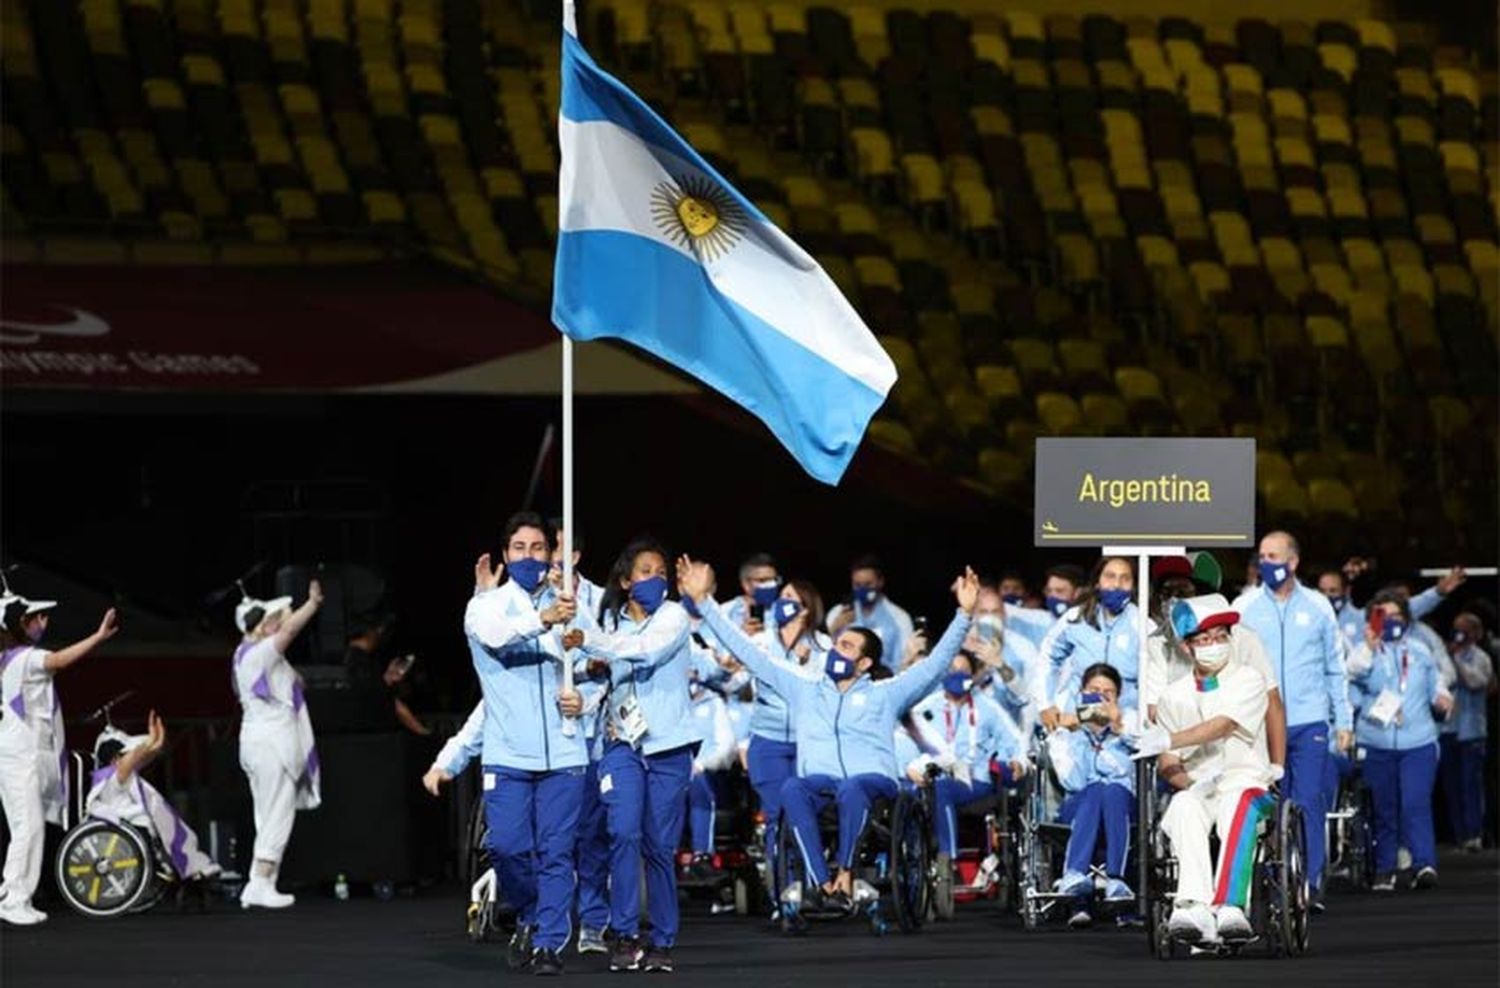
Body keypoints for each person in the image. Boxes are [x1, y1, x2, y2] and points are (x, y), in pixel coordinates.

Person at [682, 556, 978, 910]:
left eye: (847, 648)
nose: (837, 651)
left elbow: (934, 665)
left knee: (853, 787)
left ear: (865, 663)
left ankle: (846, 873)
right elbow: (749, 653)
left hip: (873, 784)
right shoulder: (805, 688)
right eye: (837, 645)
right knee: (792, 787)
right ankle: (822, 883)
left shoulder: (887, 693)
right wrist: (704, 604)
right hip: (822, 782)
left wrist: (964, 615)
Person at [569, 538, 697, 974]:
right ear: (625, 581)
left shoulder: (674, 617)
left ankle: (662, 939)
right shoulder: (611, 626)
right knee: (622, 833)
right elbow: (604, 679)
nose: (655, 579)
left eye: (660, 572)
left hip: (668, 747)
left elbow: (646, 651)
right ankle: (623, 934)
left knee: (659, 846)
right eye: (645, 571)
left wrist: (591, 640)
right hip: (621, 746)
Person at [464, 512, 585, 975]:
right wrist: (542, 619)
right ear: (505, 554)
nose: (530, 556)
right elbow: (494, 638)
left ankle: (549, 943)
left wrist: (585, 702)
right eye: (520, 548)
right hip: (508, 753)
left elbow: (598, 663)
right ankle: (533, 912)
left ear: (551, 554)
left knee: (557, 853)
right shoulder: (486, 606)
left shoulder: (572, 604)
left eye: (538, 548)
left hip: (566, 750)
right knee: (509, 848)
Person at [1136, 596, 1276, 945]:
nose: (1214, 645)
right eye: (1203, 639)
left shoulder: (1248, 679)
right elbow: (1169, 764)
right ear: (1186, 647)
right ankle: (1192, 906)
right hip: (1201, 784)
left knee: (1235, 806)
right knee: (1183, 805)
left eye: (1220, 636)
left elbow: (1223, 725)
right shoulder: (1172, 697)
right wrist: (1189, 782)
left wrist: (1169, 738)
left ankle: (1230, 907)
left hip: (1248, 782)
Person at [1232, 531, 1351, 897]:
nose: (1266, 563)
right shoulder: (1244, 606)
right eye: (1262, 557)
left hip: (1309, 720)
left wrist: (1344, 721)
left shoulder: (1318, 606)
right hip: (1261, 722)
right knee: (1266, 803)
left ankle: (1309, 882)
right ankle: (1269, 880)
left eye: (1273, 556)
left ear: (1293, 562)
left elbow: (1336, 666)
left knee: (1308, 800)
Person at [0, 593, 118, 926]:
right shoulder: (22, 659)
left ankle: (12, 892)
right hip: (18, 752)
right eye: (36, 617)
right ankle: (14, 898)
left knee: (25, 826)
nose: (44, 622)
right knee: (28, 826)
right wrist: (97, 637)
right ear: (19, 624)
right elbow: (59, 661)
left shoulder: (11, 658)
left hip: (19, 751)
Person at [1348, 590, 1453, 890]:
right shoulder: (1362, 650)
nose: (1391, 621)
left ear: (1406, 619)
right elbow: (1351, 675)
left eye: (1396, 615)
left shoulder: (1419, 650)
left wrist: (1443, 698)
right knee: (1384, 807)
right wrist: (1368, 648)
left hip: (1418, 740)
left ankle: (1424, 864)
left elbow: (1437, 684)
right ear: (1373, 620)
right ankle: (1385, 868)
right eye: (1384, 616)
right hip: (1376, 741)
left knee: (1415, 802)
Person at [233, 582, 324, 910]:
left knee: (269, 813)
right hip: (270, 743)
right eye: (271, 620)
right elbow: (286, 633)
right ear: (261, 626)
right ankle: (259, 882)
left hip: (262, 741)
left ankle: (263, 882)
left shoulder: (251, 655)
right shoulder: (257, 654)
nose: (277, 624)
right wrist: (312, 605)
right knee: (276, 814)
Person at [899, 651, 1026, 883]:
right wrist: (907, 766)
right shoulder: (927, 707)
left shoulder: (988, 707)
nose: (957, 675)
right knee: (907, 792)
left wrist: (1017, 760)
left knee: (943, 788)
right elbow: (903, 738)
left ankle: (949, 860)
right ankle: (910, 866)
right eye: (951, 670)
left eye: (964, 671)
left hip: (974, 780)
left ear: (974, 675)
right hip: (931, 777)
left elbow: (1014, 740)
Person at [1046, 663, 1136, 928]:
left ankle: (1114, 878)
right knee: (1096, 788)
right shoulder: (1068, 732)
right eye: (1094, 691)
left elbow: (1125, 772)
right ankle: (1075, 876)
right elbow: (1071, 780)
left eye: (1108, 693)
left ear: (1117, 698)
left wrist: (1117, 728)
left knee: (1111, 790)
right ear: (1082, 693)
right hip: (1078, 805)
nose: (1101, 698)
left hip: (1120, 804)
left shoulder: (1128, 726)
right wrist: (1076, 736)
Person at [85, 711, 221, 882]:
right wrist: (150, 740)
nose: (132, 756)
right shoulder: (111, 777)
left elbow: (145, 756)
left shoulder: (122, 775)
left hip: (142, 824)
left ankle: (194, 865)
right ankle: (190, 867)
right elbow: (134, 758)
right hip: (130, 828)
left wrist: (156, 740)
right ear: (114, 759)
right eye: (124, 753)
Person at [1036, 557, 1143, 731]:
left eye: (1125, 578)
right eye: (1110, 576)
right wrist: (1045, 703)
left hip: (1121, 728)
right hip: (1075, 726)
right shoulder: (1075, 618)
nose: (1116, 584)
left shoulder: (1143, 626)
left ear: (1134, 586)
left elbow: (1155, 681)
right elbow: (1047, 655)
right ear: (1097, 582)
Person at [1440, 612, 1492, 852]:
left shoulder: (1481, 657)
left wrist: (1457, 659)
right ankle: (1460, 836)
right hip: (1449, 729)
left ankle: (1475, 834)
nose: (1459, 634)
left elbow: (1475, 682)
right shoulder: (1445, 656)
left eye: (1465, 629)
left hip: (1471, 731)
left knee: (1470, 784)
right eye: (1456, 628)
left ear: (1475, 633)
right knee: (1451, 786)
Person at [965, 585, 1040, 734]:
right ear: (974, 615)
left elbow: (1030, 696)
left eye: (995, 612)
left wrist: (999, 663)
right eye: (983, 612)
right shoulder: (961, 645)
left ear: (1004, 615)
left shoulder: (1024, 648)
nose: (989, 617)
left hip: (1010, 730)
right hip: (970, 730)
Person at [684, 674, 737, 876]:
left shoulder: (714, 704)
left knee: (698, 784)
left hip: (708, 772)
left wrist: (702, 764)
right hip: (678, 770)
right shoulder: (672, 705)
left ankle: (702, 852)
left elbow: (726, 746)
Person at [826, 554, 916, 669]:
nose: (863, 589)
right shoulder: (837, 613)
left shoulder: (900, 618)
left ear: (880, 582)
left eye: (868, 584)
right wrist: (834, 629)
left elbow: (907, 660)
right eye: (857, 585)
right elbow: (824, 654)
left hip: (886, 681)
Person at [722, 552, 781, 634]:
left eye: (774, 580)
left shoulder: (784, 611)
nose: (771, 584)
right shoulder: (724, 613)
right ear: (746, 585)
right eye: (762, 580)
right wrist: (740, 635)